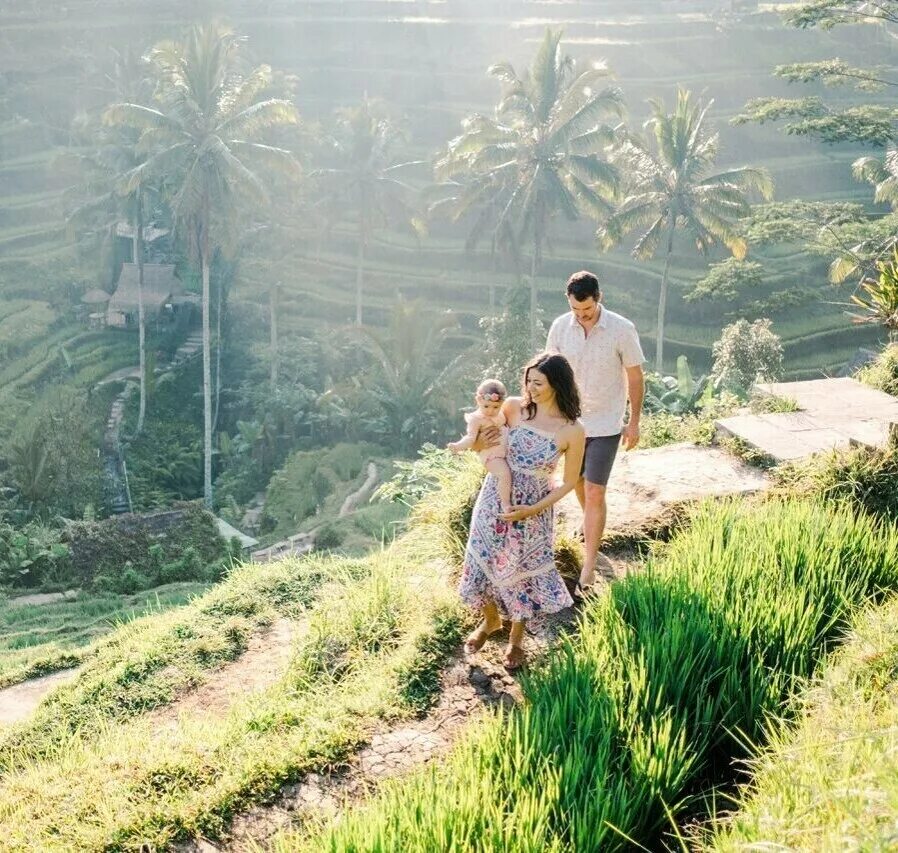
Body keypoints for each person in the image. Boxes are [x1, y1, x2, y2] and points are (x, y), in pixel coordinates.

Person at [459, 353, 585, 671]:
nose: (531, 387)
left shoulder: (572, 430)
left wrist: (531, 510)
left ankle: (516, 640)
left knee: (519, 572)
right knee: (480, 559)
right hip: (495, 497)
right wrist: (474, 444)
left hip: (533, 509)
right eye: (528, 380)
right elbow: (481, 439)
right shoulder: (514, 407)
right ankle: (490, 623)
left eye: (538, 383)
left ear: (557, 384)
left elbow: (570, 482)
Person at [546, 270, 645, 597]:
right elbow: (549, 373)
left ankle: (589, 565)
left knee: (595, 492)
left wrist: (634, 422)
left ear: (598, 299)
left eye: (586, 311)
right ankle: (592, 529)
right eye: (576, 310)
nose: (581, 316)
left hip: (605, 424)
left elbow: (635, 377)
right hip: (570, 422)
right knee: (576, 482)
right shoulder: (561, 327)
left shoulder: (621, 329)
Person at [447, 379, 512, 512]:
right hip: (492, 454)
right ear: (478, 400)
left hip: (504, 450)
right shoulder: (476, 419)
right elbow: (470, 438)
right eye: (486, 406)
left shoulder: (501, 414)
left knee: (509, 472)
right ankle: (506, 504)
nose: (490, 411)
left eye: (495, 407)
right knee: (504, 474)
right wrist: (458, 446)